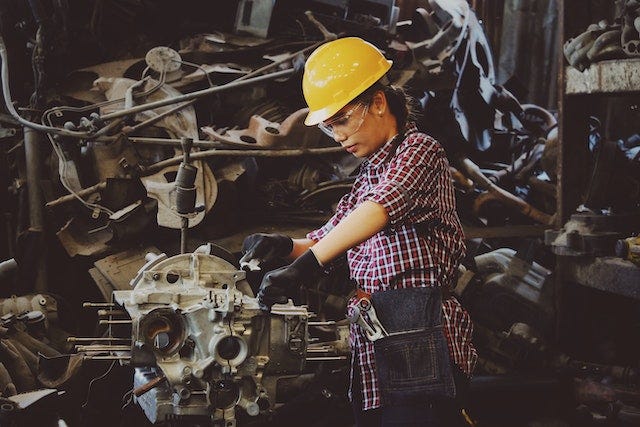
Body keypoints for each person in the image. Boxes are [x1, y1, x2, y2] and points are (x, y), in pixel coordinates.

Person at [240, 37, 477, 426]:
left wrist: (306, 267)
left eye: (343, 120)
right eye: (330, 127)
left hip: (420, 332)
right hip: (377, 333)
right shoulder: (368, 176)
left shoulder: (420, 151)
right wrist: (282, 247)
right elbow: (327, 238)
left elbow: (378, 210)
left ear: (379, 103)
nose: (338, 136)